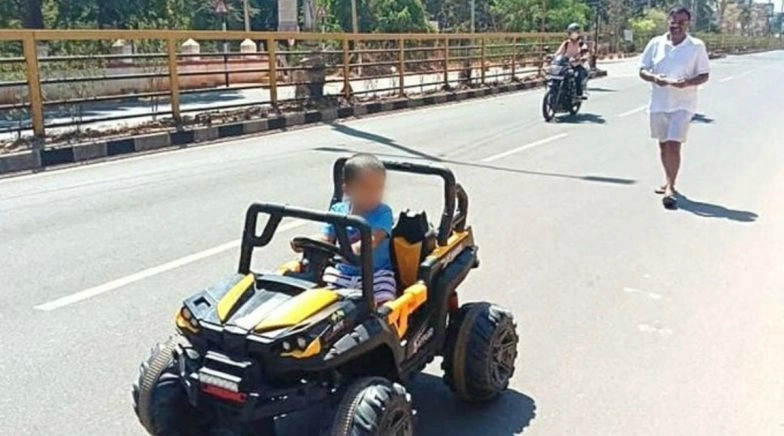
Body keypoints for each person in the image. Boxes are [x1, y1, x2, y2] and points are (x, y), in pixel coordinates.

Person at [294, 153, 396, 304]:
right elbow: (327, 238)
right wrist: (308, 243)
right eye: (366, 189)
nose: (374, 194)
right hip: (342, 273)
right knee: (321, 302)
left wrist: (349, 252)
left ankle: (381, 325)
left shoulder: (383, 213)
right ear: (347, 191)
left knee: (383, 304)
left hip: (377, 275)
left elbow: (373, 240)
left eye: (378, 188)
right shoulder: (338, 211)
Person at [639, 6, 710, 209]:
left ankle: (671, 187)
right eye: (673, 20)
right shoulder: (656, 43)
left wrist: (686, 83)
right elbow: (642, 70)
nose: (676, 25)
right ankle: (668, 178)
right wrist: (655, 78)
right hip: (659, 103)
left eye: (681, 22)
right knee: (663, 144)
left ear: (688, 25)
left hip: (683, 104)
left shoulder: (696, 46)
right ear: (668, 21)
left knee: (674, 144)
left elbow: (704, 74)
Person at [556, 22, 590, 99]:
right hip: (566, 65)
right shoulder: (566, 43)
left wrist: (583, 57)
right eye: (572, 32)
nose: (573, 34)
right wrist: (552, 57)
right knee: (558, 75)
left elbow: (586, 53)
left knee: (577, 76)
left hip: (577, 65)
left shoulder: (581, 44)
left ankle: (579, 94)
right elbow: (559, 52)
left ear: (578, 33)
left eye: (575, 32)